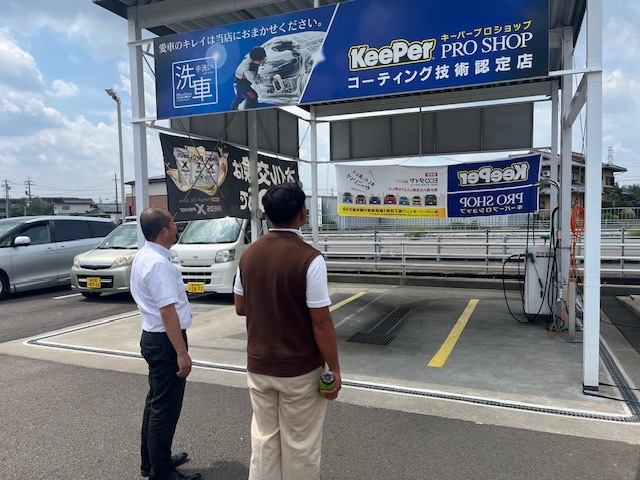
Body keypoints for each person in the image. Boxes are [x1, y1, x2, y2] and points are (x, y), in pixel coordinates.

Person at [233, 182, 341, 480]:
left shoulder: (248, 255)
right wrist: (334, 368)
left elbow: (240, 307)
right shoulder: (310, 258)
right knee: (300, 444)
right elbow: (321, 322)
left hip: (259, 365)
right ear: (302, 214)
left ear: (267, 214)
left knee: (264, 439)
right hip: (299, 369)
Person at [131, 207, 201, 480]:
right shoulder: (158, 264)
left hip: (153, 336)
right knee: (165, 408)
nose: (176, 228)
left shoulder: (145, 255)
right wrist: (181, 352)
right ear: (163, 231)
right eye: (173, 224)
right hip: (165, 340)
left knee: (155, 402)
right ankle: (161, 471)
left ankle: (152, 461)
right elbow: (168, 312)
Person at [231, 46, 280, 110]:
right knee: (252, 97)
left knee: (241, 96)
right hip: (241, 85)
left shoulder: (254, 56)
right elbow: (257, 81)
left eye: (263, 59)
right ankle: (247, 113)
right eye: (261, 60)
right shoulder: (248, 69)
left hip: (243, 83)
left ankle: (233, 110)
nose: (262, 62)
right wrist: (270, 79)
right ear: (255, 60)